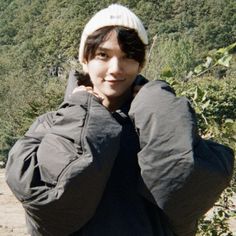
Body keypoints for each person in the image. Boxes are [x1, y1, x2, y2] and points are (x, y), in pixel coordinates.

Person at [5, 4, 234, 236]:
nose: (115, 69)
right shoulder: (50, 125)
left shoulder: (162, 119)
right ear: (84, 60)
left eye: (127, 57)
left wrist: (156, 103)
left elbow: (187, 193)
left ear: (140, 64)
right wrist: (82, 110)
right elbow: (50, 204)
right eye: (103, 55)